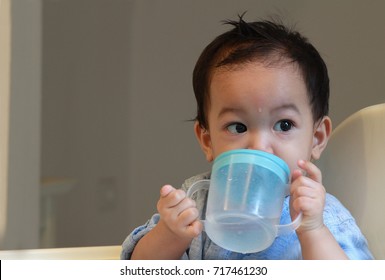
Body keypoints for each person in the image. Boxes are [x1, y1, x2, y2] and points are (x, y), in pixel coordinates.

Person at [121, 15, 373, 260]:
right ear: (207, 141)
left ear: (316, 138)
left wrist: (313, 231)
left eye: (284, 125)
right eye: (238, 127)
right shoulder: (195, 200)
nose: (259, 147)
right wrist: (170, 235)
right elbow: (137, 268)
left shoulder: (321, 214)